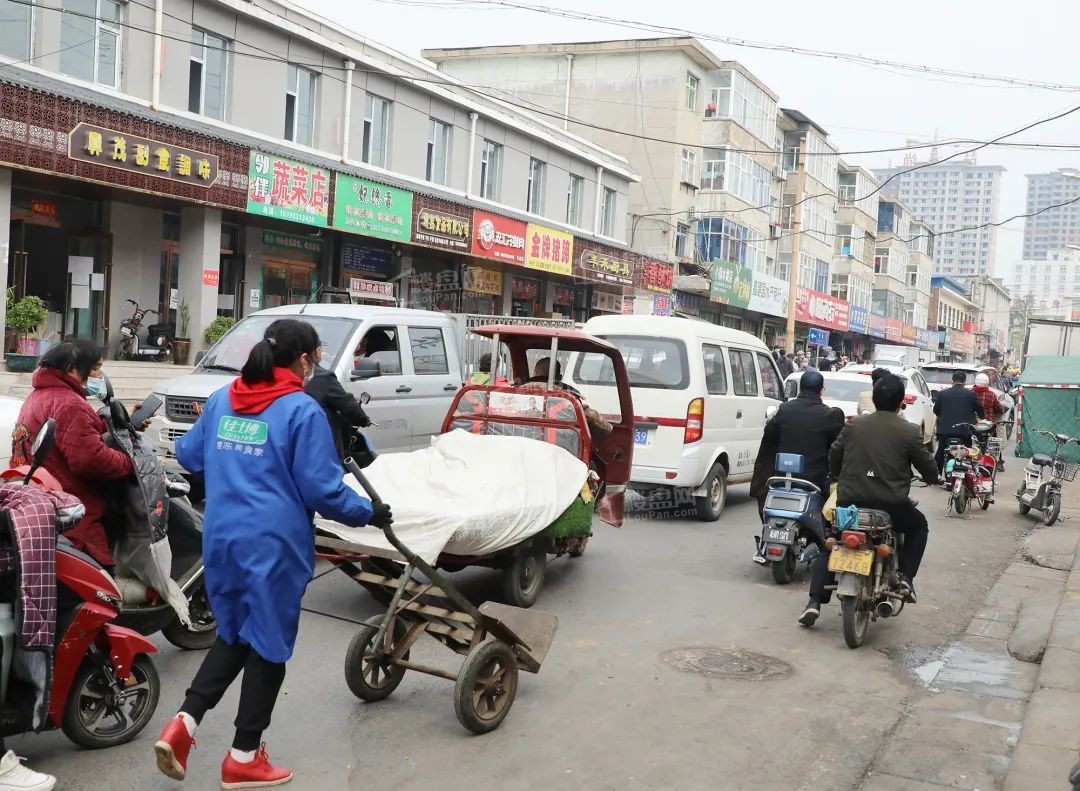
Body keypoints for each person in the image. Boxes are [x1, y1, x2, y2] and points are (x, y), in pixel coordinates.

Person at [154, 319, 392, 788]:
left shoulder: (223, 399)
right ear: (303, 361)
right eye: (316, 358)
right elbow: (323, 490)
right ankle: (244, 756)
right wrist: (370, 513)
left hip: (222, 541)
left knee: (237, 635)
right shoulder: (299, 410)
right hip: (273, 548)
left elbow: (188, 455)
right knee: (269, 646)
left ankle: (184, 721)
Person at [799, 373, 939, 626]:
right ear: (900, 403)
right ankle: (906, 578)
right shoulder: (908, 431)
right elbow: (928, 468)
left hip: (849, 503)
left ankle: (814, 602)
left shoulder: (854, 426)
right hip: (891, 507)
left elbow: (834, 454)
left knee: (830, 540)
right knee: (919, 527)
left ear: (874, 398)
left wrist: (838, 475)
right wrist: (932, 478)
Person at [9, 339, 133, 567]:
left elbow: (74, 436)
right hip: (74, 512)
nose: (98, 375)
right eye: (95, 368)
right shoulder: (69, 403)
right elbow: (90, 459)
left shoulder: (40, 395)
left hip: (42, 503)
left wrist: (122, 423)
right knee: (102, 585)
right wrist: (130, 462)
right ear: (72, 369)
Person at [750, 370, 845, 522]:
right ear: (821, 390)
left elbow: (769, 439)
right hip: (815, 481)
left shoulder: (785, 410)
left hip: (781, 477)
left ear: (800, 388)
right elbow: (838, 449)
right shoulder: (828, 416)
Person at [305, 342, 371, 462]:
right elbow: (347, 404)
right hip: (323, 453)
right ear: (318, 351)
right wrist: (363, 419)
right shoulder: (323, 377)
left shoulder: (275, 378)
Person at [519, 358, 612, 438]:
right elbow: (604, 428)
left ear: (534, 373)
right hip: (560, 454)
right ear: (560, 377)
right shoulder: (568, 398)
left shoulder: (517, 394)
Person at [933, 370, 985, 474]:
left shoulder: (943, 394)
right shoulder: (971, 394)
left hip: (945, 431)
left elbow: (936, 410)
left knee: (941, 452)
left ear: (952, 380)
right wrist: (982, 418)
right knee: (967, 452)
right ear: (964, 381)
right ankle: (966, 473)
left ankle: (936, 475)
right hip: (964, 431)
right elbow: (980, 411)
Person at [972, 372, 1007, 470]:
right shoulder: (991, 394)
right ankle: (998, 462)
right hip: (988, 425)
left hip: (974, 424)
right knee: (993, 442)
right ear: (987, 383)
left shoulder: (970, 393)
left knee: (971, 441)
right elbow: (998, 409)